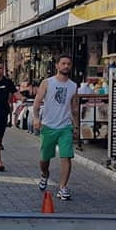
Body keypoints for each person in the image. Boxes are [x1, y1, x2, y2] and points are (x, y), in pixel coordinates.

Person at [32, 55, 78, 201]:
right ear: (57, 66)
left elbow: (74, 107)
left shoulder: (73, 86)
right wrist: (36, 117)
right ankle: (45, 174)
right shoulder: (47, 83)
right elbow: (37, 102)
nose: (66, 66)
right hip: (48, 126)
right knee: (44, 159)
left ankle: (62, 188)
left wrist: (76, 126)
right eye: (63, 63)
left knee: (66, 157)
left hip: (65, 127)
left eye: (68, 64)